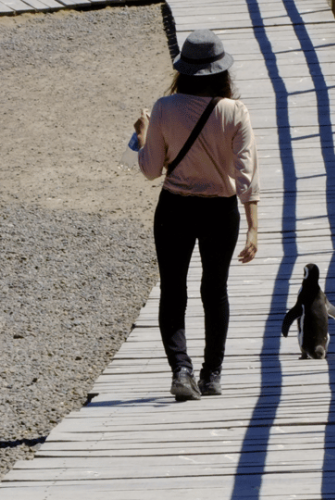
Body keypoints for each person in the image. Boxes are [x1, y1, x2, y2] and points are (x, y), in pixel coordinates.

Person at [134, 29, 260, 402]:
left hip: (175, 207)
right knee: (214, 289)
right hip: (220, 210)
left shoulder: (163, 108)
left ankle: (181, 370)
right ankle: (213, 374)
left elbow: (151, 170)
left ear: (183, 70)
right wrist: (253, 226)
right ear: (222, 72)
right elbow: (246, 174)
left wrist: (143, 136)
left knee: (173, 290)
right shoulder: (235, 112)